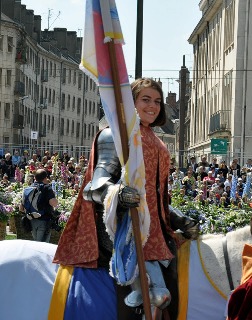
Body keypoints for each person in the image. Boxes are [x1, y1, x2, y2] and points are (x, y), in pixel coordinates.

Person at [51, 78, 199, 319]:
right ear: (131, 103)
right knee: (145, 301)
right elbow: (94, 186)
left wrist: (180, 220)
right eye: (146, 100)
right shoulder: (114, 135)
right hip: (123, 231)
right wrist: (117, 193)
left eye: (158, 101)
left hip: (157, 234)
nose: (153, 106)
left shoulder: (157, 142)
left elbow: (153, 199)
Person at [19, 169, 58, 242]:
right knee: (42, 245)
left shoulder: (28, 189)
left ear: (35, 178)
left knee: (36, 242)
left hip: (31, 220)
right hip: (44, 220)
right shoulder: (47, 188)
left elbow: (21, 208)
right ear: (45, 178)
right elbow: (54, 203)